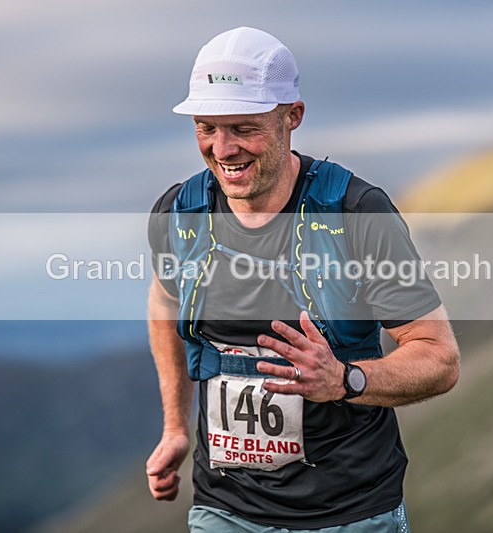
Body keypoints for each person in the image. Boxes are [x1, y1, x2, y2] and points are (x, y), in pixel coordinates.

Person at [146, 27, 460, 532]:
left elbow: (439, 358)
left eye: (244, 128)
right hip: (225, 510)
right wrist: (175, 426)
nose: (222, 149)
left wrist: (344, 380)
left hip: (351, 512)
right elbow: (164, 303)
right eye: (206, 127)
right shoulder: (181, 211)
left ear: (292, 116)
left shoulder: (356, 212)